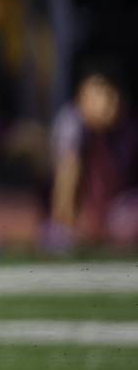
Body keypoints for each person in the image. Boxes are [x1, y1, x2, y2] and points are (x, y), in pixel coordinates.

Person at [50, 62, 138, 248]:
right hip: (87, 215)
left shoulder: (129, 129)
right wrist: (64, 223)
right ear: (81, 96)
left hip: (120, 210)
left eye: (114, 95)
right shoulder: (73, 124)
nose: (109, 103)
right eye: (102, 94)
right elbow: (66, 175)